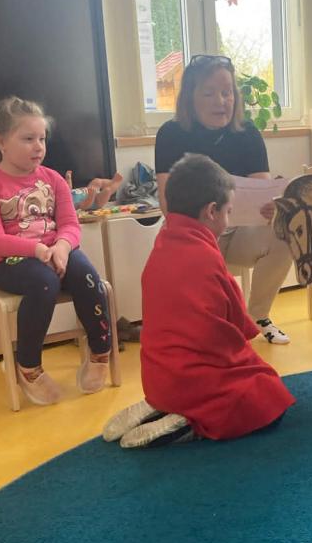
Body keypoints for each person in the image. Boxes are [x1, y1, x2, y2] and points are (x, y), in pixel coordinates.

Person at [102, 154, 295, 449]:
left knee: (247, 372)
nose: (228, 220)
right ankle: (191, 424)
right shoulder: (206, 255)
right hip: (194, 383)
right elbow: (237, 322)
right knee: (269, 394)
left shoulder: (162, 243)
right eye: (228, 212)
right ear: (211, 211)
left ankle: (162, 406)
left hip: (157, 378)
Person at [0, 96, 112, 405]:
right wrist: (36, 250)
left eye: (42, 139)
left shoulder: (53, 180)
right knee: (44, 282)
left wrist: (61, 246)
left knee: (89, 277)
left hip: (54, 251)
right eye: (28, 139)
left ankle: (100, 352)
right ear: (0, 142)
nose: (38, 146)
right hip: (9, 261)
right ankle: (29, 366)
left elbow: (70, 224)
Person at [155, 54, 292, 344]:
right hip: (194, 234)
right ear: (191, 98)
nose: (221, 101)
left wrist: (273, 207)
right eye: (209, 93)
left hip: (239, 231)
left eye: (227, 92)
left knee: (287, 231)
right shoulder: (171, 134)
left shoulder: (248, 134)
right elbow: (168, 205)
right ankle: (206, 325)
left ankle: (257, 316)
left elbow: (261, 193)